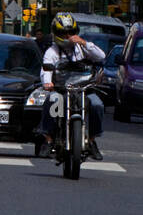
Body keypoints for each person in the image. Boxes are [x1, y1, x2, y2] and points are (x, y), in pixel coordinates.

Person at [38, 12, 105, 161]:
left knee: (97, 104)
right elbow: (46, 69)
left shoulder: (82, 47)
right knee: (52, 101)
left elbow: (101, 56)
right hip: (62, 90)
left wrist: (83, 42)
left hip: (84, 89)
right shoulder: (52, 51)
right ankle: (48, 139)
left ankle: (92, 141)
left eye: (71, 33)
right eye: (64, 33)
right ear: (56, 33)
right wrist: (47, 83)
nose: (68, 36)